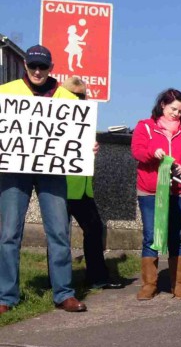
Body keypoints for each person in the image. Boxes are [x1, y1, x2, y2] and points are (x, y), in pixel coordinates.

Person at [0, 45, 87, 314]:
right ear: (25, 65)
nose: (37, 71)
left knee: (59, 231)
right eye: (32, 66)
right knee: (8, 233)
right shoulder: (6, 93)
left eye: (43, 66)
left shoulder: (67, 97)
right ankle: (6, 296)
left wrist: (86, 145)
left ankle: (63, 293)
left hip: (52, 172)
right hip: (14, 170)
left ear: (52, 68)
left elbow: (77, 134)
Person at [131, 88, 181, 300]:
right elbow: (137, 150)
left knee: (176, 237)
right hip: (150, 191)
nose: (176, 114)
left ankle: (178, 283)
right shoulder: (145, 126)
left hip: (178, 191)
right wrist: (152, 154)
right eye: (173, 109)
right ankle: (149, 284)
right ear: (162, 105)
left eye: (180, 111)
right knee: (151, 236)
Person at [61, 76, 123, 290]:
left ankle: (96, 277)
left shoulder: (84, 119)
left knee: (94, 228)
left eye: (81, 95)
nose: (79, 99)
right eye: (74, 95)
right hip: (60, 186)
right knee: (60, 234)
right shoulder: (59, 116)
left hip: (81, 186)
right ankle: (59, 281)